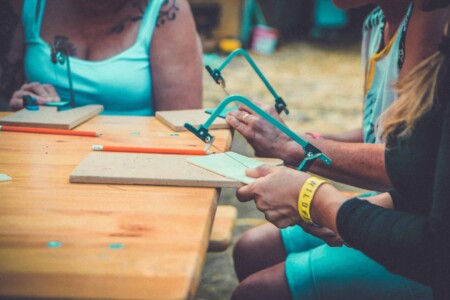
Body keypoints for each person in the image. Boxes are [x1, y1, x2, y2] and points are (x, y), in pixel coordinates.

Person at [227, 1, 450, 299]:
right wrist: (309, 142)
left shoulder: (429, 18)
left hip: (428, 237)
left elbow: (412, 163)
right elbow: (390, 136)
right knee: (252, 249)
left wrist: (303, 162)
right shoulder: (376, 24)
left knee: (257, 292)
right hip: (415, 206)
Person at [1, 0, 202, 115]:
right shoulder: (25, 5)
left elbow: (183, 130)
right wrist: (23, 106)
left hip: (133, 163)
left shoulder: (167, 9)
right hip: (44, 159)